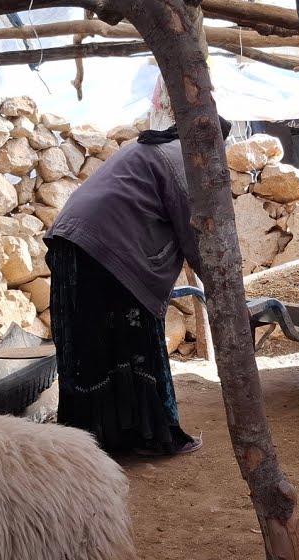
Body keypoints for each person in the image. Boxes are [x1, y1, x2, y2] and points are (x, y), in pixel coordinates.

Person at [44, 116, 233, 457]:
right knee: (132, 340)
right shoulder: (181, 160)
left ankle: (99, 441)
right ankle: (145, 435)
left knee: (97, 346)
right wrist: (227, 293)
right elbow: (197, 235)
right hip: (106, 249)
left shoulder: (154, 147)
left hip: (72, 243)